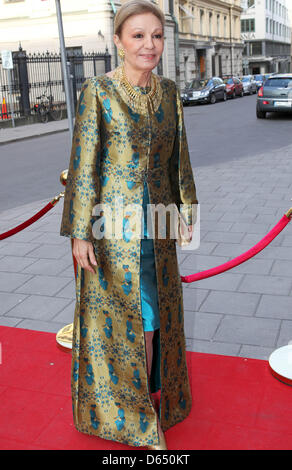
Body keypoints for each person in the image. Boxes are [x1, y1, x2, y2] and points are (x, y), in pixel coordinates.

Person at [60, 0, 198, 450]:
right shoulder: (98, 91)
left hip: (156, 228)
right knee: (121, 322)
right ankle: (129, 415)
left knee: (156, 317)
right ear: (118, 40)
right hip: (110, 232)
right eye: (138, 35)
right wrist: (80, 231)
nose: (149, 45)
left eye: (156, 35)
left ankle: (154, 396)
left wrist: (185, 209)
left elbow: (179, 155)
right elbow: (84, 165)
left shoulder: (170, 91)